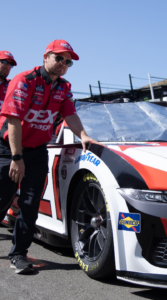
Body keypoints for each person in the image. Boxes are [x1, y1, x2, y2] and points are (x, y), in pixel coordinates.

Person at [0, 40, 96, 274]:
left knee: (30, 204)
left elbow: (70, 114)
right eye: (59, 58)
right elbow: (13, 119)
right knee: (1, 200)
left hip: (37, 151)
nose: (63, 64)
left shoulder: (64, 87)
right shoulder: (24, 79)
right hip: (9, 150)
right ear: (46, 57)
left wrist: (83, 135)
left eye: (68, 62)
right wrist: (16, 156)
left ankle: (18, 255)